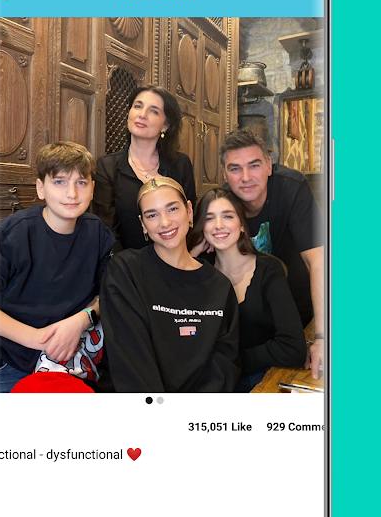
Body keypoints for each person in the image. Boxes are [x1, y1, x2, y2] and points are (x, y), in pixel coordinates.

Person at [0, 141, 115, 393]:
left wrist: (82, 319)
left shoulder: (98, 232)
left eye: (81, 183)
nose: (72, 193)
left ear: (92, 189)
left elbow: (109, 293)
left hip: (74, 359)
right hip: (12, 360)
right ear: (40, 188)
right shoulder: (9, 235)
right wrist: (38, 339)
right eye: (59, 182)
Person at [100, 177, 240, 393]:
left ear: (189, 211)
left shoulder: (219, 285)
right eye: (152, 215)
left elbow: (225, 365)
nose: (164, 222)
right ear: (143, 224)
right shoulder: (125, 270)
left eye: (172, 209)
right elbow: (130, 358)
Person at [219, 128, 324, 379]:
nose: (246, 177)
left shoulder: (291, 187)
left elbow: (318, 260)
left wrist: (321, 337)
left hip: (298, 310)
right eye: (235, 169)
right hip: (252, 325)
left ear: (268, 165)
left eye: (254, 165)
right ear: (224, 174)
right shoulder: (222, 205)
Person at [189, 188, 307, 392]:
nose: (218, 225)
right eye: (209, 218)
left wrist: (229, 361)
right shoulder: (199, 272)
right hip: (212, 384)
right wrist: (191, 255)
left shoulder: (268, 269)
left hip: (260, 380)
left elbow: (293, 347)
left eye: (228, 216)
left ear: (242, 225)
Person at [93, 85, 196, 251]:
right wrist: (126, 265)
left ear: (165, 125)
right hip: (125, 262)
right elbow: (108, 231)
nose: (142, 115)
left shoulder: (180, 164)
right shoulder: (106, 167)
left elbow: (189, 220)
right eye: (138, 106)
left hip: (174, 258)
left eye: (153, 111)